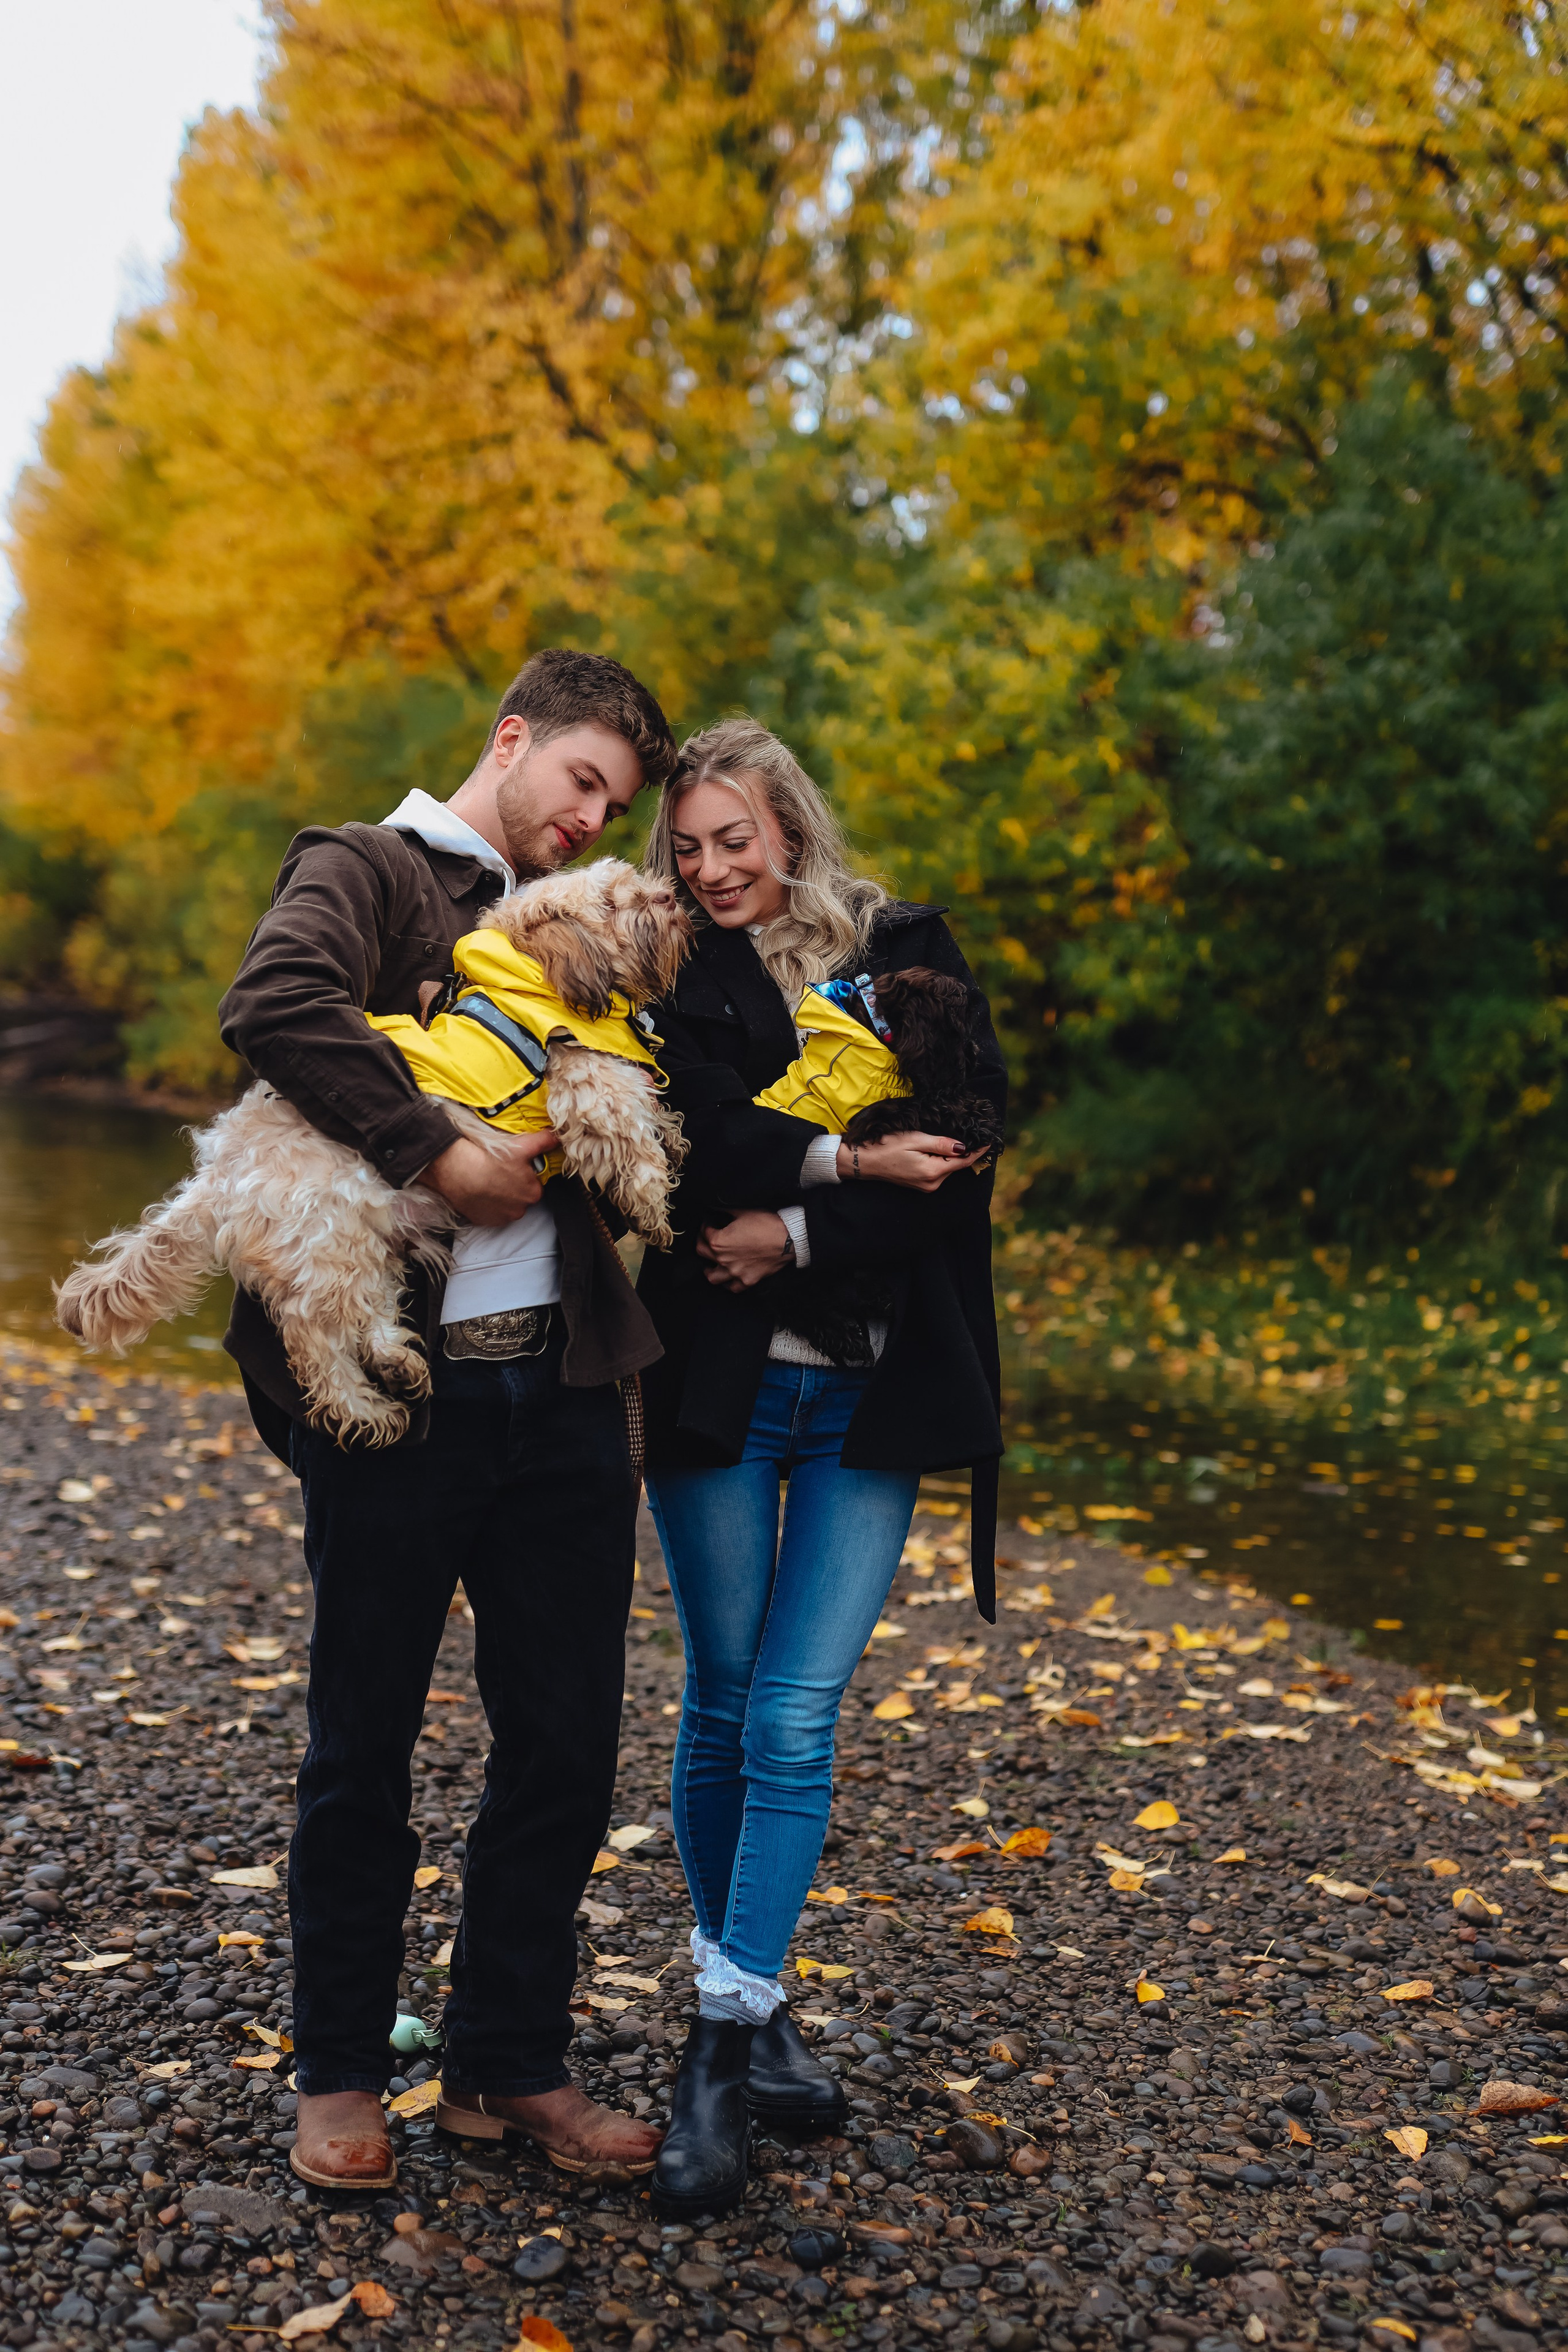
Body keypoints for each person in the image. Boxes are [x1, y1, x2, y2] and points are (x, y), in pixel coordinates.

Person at [217, 649, 679, 2190]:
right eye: (579, 781)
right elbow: (272, 1002)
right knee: (366, 1741)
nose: (585, 818)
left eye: (611, 803)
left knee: (561, 1745)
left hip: (561, 1391)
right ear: (511, 740)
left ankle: (507, 2067)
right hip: (403, 1404)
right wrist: (435, 1149)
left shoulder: (592, 931)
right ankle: (342, 2074)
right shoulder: (366, 870)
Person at [635, 718, 1006, 2215]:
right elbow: (683, 1151)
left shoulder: (904, 951)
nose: (714, 869)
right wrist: (840, 1165)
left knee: (792, 1713)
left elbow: (958, 1153)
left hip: (870, 1396)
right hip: (716, 1393)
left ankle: (716, 2053)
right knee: (722, 1702)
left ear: (786, 825)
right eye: (687, 847)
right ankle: (761, 2000)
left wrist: (784, 1233)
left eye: (735, 838)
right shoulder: (665, 973)